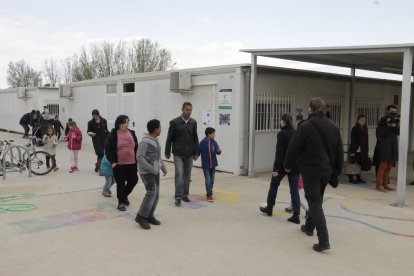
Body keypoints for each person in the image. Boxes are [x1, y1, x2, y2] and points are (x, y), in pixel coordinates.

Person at [284, 97, 344, 252]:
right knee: (317, 199)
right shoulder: (333, 126)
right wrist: (337, 171)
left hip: (311, 171)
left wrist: (288, 166)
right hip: (326, 171)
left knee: (314, 202)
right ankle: (309, 227)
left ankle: (324, 240)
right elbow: (339, 151)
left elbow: (293, 148)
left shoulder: (305, 126)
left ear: (310, 109)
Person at [259, 114, 301, 224]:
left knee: (274, 184)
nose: (279, 122)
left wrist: (275, 169)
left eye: (280, 121)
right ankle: (296, 214)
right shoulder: (297, 133)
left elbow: (279, 153)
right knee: (294, 190)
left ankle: (270, 207)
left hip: (283, 166)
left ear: (283, 122)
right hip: (295, 165)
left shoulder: (282, 134)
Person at [165, 102, 200, 207]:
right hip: (178, 153)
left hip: (189, 154)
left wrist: (196, 152)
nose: (188, 112)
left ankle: (185, 195)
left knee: (187, 175)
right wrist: (167, 151)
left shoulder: (193, 123)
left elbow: (195, 138)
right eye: (187, 110)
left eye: (190, 110)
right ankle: (178, 197)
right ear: (182, 109)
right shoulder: (175, 122)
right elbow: (169, 138)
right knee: (179, 174)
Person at [135, 119, 167, 230]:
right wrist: (151, 168)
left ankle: (149, 215)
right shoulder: (145, 142)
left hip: (155, 171)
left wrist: (162, 167)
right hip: (146, 172)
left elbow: (157, 157)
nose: (161, 129)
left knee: (156, 194)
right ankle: (141, 217)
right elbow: (139, 157)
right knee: (151, 192)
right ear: (155, 129)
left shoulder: (155, 140)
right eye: (160, 127)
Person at [105, 115, 138, 211]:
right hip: (119, 165)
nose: (126, 125)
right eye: (124, 123)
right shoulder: (113, 134)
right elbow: (108, 149)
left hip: (132, 163)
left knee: (134, 180)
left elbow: (136, 146)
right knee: (121, 184)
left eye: (127, 122)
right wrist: (112, 161)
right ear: (119, 124)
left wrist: (137, 159)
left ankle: (123, 196)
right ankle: (121, 202)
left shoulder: (132, 133)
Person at [373, 105, 399, 192]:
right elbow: (379, 133)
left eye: (394, 112)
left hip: (393, 145)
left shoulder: (395, 120)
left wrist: (394, 125)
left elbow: (398, 131)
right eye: (392, 112)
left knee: (389, 166)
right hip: (385, 145)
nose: (393, 113)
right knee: (383, 165)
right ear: (387, 111)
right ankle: (378, 184)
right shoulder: (383, 120)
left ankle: (385, 183)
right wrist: (388, 125)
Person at [199, 127, 222, 202]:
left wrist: (219, 151)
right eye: (213, 134)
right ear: (209, 134)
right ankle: (209, 195)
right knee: (208, 179)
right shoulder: (202, 142)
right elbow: (198, 151)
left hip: (213, 164)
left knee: (212, 180)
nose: (214, 135)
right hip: (206, 165)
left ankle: (209, 190)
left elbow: (217, 151)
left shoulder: (214, 142)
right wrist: (195, 156)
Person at [348, 114, 369, 184]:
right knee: (352, 164)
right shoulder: (354, 128)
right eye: (361, 120)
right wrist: (352, 151)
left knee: (360, 164)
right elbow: (353, 140)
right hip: (355, 149)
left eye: (364, 120)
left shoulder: (365, 128)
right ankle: (351, 178)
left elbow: (366, 140)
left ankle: (358, 178)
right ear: (358, 120)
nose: (363, 121)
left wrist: (366, 149)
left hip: (362, 150)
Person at [87, 109, 109, 173]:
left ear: (98, 115)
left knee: (104, 154)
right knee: (100, 153)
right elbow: (88, 131)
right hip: (96, 140)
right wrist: (91, 134)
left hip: (104, 139)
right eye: (93, 116)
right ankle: (101, 170)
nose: (95, 117)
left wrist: (110, 135)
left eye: (96, 116)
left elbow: (106, 130)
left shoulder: (104, 121)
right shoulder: (90, 123)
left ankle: (97, 165)